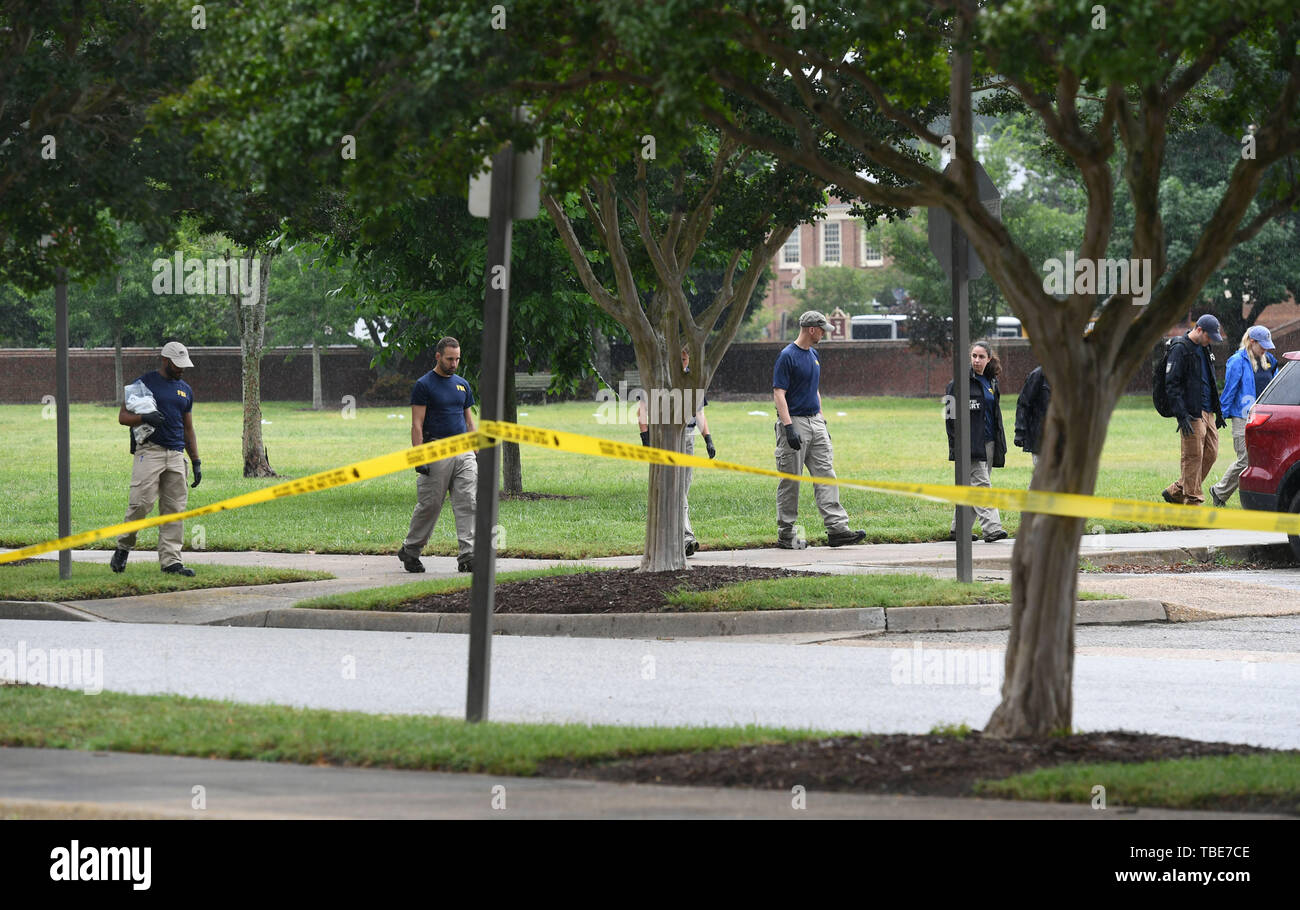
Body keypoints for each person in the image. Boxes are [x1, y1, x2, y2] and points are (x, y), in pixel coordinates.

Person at [772, 310, 865, 549]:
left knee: (826, 475)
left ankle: (837, 529)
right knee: (791, 480)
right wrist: (788, 427)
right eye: (822, 329)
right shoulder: (787, 356)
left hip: (815, 422)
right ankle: (786, 534)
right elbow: (779, 393)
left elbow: (815, 390)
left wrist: (822, 421)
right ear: (812, 329)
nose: (824, 334)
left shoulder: (814, 354)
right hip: (795, 422)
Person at [109, 342, 202, 575]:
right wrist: (144, 417)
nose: (181, 369)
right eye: (177, 365)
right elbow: (122, 417)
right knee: (141, 503)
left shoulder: (185, 390)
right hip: (150, 451)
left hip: (176, 454)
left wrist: (196, 460)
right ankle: (123, 547)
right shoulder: (144, 383)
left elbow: (188, 428)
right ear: (165, 360)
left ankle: (171, 562)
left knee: (174, 509)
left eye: (183, 365)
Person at [398, 337, 477, 573]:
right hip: (436, 450)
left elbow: (469, 421)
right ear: (438, 357)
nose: (454, 364)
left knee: (468, 502)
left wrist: (477, 452)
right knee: (430, 505)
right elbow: (416, 424)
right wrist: (419, 457)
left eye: (457, 359)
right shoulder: (424, 385)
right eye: (450, 359)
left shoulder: (463, 385)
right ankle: (410, 550)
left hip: (463, 452)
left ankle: (468, 555)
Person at [639, 346, 716, 557]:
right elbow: (643, 411)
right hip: (666, 438)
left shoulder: (693, 381)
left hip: (688, 437)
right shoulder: (660, 379)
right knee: (676, 489)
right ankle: (686, 537)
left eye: (685, 359)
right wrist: (646, 438)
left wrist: (708, 438)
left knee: (682, 488)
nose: (682, 363)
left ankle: (672, 535)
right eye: (679, 359)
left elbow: (698, 413)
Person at [945, 341, 1009, 543]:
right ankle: (992, 529)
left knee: (973, 487)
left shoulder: (991, 382)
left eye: (981, 357)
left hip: (989, 442)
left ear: (989, 359)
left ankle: (959, 529)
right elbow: (949, 416)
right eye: (974, 356)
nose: (977, 360)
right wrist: (958, 445)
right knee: (981, 486)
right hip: (970, 445)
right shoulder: (959, 383)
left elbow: (994, 415)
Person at [1209, 324, 1278, 507]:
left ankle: (1259, 498)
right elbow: (1230, 390)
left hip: (1265, 417)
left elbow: (1276, 387)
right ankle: (1219, 491)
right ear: (1251, 342)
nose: (1265, 348)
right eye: (1262, 344)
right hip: (1242, 417)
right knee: (1246, 459)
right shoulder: (1237, 361)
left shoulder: (1270, 360)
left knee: (1263, 459)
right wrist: (1221, 415)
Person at [1161, 313, 1226, 506]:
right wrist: (1182, 415)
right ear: (1199, 330)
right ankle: (1192, 502)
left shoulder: (1205, 348)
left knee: (1211, 453)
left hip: (1208, 411)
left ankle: (1177, 490)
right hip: (1191, 412)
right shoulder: (1180, 348)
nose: (1210, 341)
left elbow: (1210, 380)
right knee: (1193, 457)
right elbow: (1171, 384)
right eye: (1209, 336)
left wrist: (1218, 411)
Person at [1014, 364, 1051, 467]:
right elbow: (1023, 403)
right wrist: (1020, 432)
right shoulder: (1038, 375)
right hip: (1041, 438)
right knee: (1043, 477)